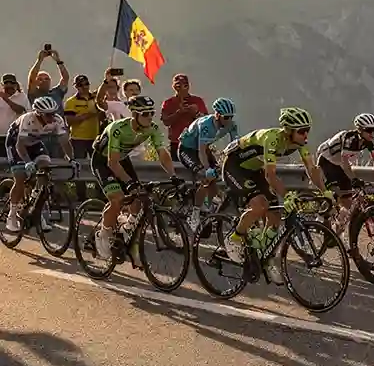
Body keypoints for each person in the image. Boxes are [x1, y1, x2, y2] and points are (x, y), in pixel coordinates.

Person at [221, 107, 329, 285]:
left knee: (275, 215)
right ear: (288, 131)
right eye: (301, 131)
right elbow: (270, 176)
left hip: (255, 169)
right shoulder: (271, 138)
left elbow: (312, 168)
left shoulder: (300, 143)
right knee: (260, 205)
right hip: (235, 166)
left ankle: (265, 257)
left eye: (307, 130)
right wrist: (287, 195)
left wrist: (325, 192)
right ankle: (235, 238)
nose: (305, 135)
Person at [90, 96, 177, 260]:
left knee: (138, 200)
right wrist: (128, 182)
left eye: (151, 113)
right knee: (118, 200)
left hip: (122, 159)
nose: (149, 117)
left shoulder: (152, 128)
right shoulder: (119, 128)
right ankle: (103, 234)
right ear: (135, 114)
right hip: (103, 161)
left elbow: (162, 154)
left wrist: (173, 175)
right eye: (145, 114)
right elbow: (112, 162)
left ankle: (124, 231)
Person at [316, 113, 374, 250]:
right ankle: (321, 217)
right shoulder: (350, 139)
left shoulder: (370, 141)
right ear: (360, 130)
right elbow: (345, 163)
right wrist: (354, 179)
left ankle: (337, 233)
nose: (372, 133)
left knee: (348, 204)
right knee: (334, 195)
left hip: (339, 166)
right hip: (327, 162)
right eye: (369, 130)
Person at [4, 97, 78, 233]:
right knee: (20, 178)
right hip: (16, 144)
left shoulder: (57, 120)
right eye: (47, 114)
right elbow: (20, 145)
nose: (51, 117)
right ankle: (12, 214)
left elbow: (65, 142)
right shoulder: (28, 119)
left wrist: (71, 159)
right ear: (38, 113)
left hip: (35, 143)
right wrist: (27, 162)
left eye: (53, 113)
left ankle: (35, 211)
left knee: (45, 170)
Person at [178, 97, 240, 231]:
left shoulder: (231, 124)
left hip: (204, 149)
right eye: (226, 117)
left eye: (231, 117)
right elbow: (201, 152)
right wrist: (207, 169)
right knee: (206, 177)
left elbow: (235, 146)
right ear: (217, 115)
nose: (228, 120)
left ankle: (208, 205)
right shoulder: (206, 125)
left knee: (215, 178)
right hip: (188, 150)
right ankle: (194, 215)